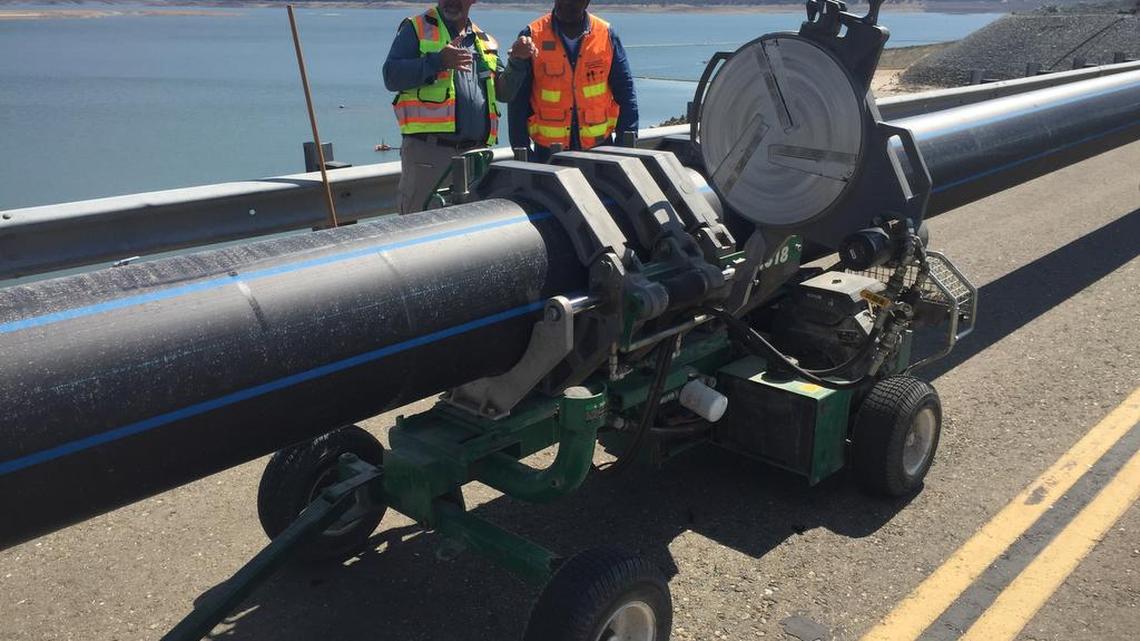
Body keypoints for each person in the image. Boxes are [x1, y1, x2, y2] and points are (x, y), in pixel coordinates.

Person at [383, 0, 520, 214]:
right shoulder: (416, 29)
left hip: (476, 157)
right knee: (420, 229)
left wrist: (518, 62)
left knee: (469, 236)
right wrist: (437, 62)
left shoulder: (483, 40)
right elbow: (391, 76)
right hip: (429, 154)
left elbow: (503, 92)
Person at [505, 0, 638, 162]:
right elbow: (517, 100)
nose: (568, 3)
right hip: (548, 155)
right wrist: (523, 153)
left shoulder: (605, 34)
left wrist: (624, 150)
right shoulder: (533, 35)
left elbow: (626, 93)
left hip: (600, 150)